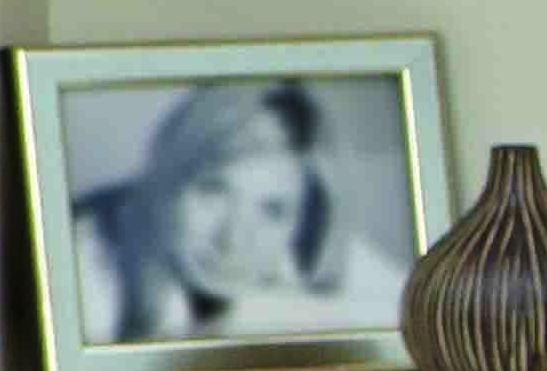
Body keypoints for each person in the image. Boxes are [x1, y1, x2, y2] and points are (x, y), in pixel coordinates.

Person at [76, 78, 380, 341]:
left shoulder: (326, 254)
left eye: (273, 210)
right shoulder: (79, 267)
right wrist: (143, 316)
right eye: (212, 191)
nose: (232, 239)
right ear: (168, 180)